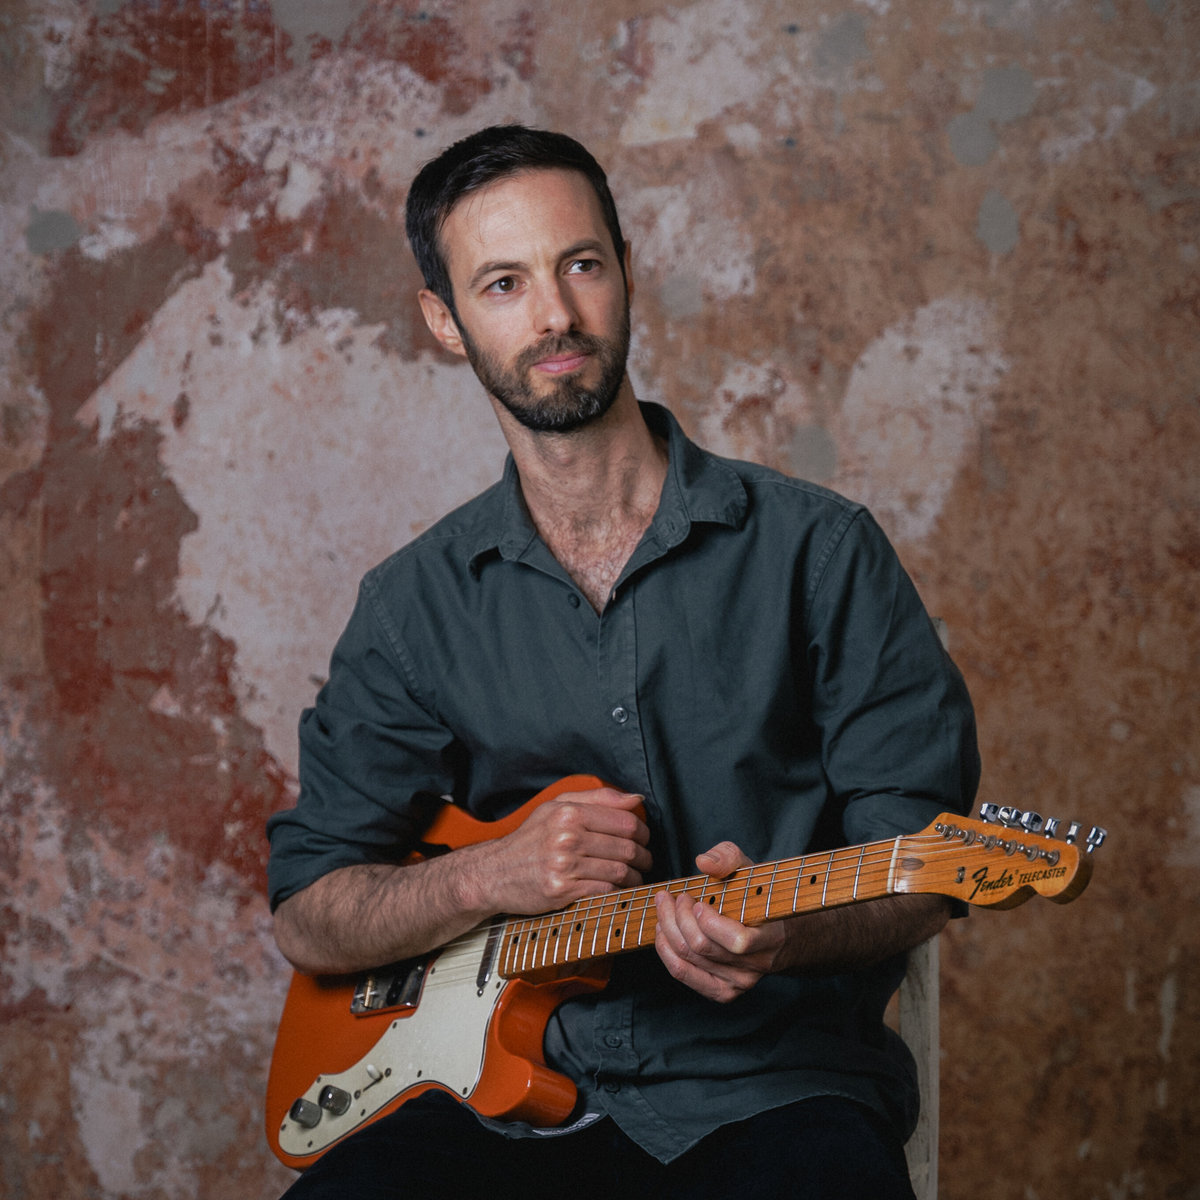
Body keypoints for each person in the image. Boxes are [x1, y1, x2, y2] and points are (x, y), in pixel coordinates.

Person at [265, 125, 979, 1199]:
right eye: (503, 283)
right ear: (445, 321)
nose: (555, 314)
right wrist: (487, 877)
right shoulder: (412, 607)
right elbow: (309, 910)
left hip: (773, 1091)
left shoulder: (817, 551)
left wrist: (785, 934)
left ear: (625, 271)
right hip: (491, 1108)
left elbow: (919, 858)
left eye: (580, 265)